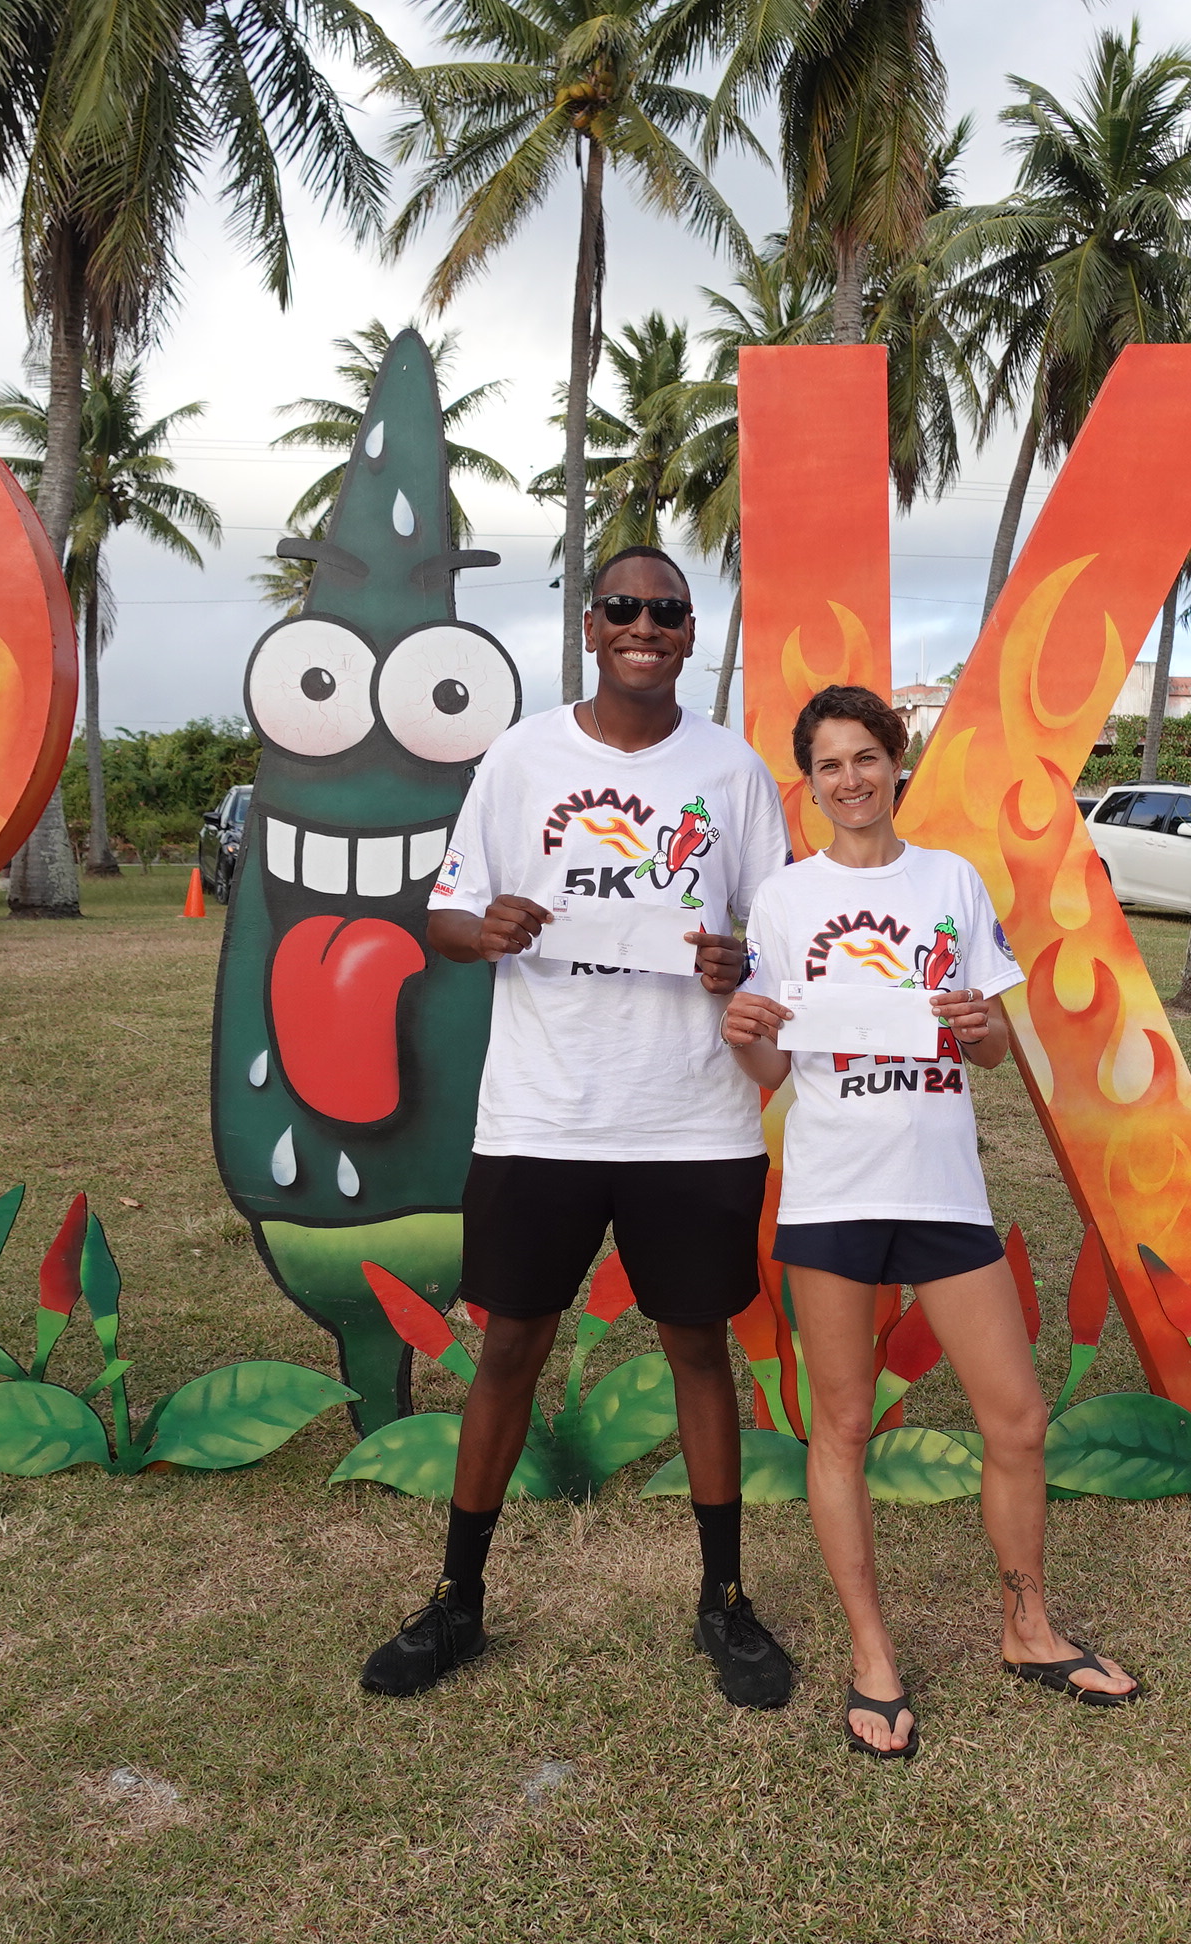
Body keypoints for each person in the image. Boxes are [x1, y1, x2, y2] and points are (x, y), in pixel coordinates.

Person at [361, 546, 796, 1710]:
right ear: (590, 628)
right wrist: (487, 927)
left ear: (692, 635)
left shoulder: (734, 771)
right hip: (542, 1113)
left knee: (699, 1347)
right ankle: (457, 1599)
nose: (642, 625)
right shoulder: (520, 759)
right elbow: (446, 913)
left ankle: (725, 1601)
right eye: (621, 608)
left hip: (695, 1118)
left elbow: (786, 938)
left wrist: (739, 957)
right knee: (510, 1347)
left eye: (665, 611)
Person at [721, 684, 1140, 1758]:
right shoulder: (782, 900)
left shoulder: (949, 881)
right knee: (845, 1428)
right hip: (831, 1195)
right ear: (807, 783)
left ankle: (1027, 1627)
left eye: (866, 757)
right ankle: (873, 1654)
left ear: (895, 762)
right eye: (829, 765)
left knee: (1016, 1419)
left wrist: (978, 1022)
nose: (850, 780)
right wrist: (745, 1030)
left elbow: (993, 1046)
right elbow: (773, 1064)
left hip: (944, 1190)